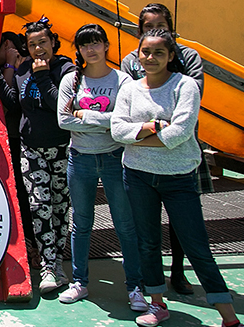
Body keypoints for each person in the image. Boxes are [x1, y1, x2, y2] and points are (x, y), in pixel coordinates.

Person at [112, 29, 244, 327]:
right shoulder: (130, 89)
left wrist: (138, 136)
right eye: (145, 52)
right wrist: (153, 126)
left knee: (196, 245)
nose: (151, 58)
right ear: (137, 55)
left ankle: (230, 318)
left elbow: (181, 133)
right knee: (147, 243)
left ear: (171, 56)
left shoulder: (185, 87)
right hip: (138, 176)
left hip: (178, 178)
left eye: (159, 52)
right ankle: (157, 304)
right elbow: (117, 131)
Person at [55, 24, 147, 313]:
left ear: (107, 45)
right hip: (79, 157)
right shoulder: (72, 80)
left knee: (125, 224)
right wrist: (106, 119)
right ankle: (80, 282)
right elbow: (63, 121)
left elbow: (126, 122)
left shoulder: (123, 81)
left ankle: (135, 287)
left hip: (114, 157)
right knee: (81, 223)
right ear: (78, 50)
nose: (90, 49)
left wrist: (87, 115)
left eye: (96, 43)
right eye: (84, 45)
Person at [121, 2, 211, 295]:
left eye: (161, 26)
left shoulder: (189, 59)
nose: (155, 32)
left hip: (178, 154)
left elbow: (183, 114)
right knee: (146, 229)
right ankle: (153, 282)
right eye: (148, 27)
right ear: (140, 31)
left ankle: (178, 272)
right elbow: (126, 113)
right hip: (142, 158)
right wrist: (147, 126)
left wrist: (144, 127)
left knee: (182, 224)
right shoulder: (130, 61)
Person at [0, 17, 75, 293]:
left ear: (53, 43)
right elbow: (15, 103)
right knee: (40, 205)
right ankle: (49, 266)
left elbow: (58, 106)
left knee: (61, 207)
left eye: (43, 42)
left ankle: (58, 262)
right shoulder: (24, 68)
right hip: (31, 148)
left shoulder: (66, 69)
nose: (38, 49)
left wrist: (42, 75)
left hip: (61, 148)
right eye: (32, 44)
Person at [0, 32, 34, 248]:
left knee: (24, 191)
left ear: (6, 44)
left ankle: (30, 240)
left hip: (20, 135)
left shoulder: (21, 67)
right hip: (21, 135)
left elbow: (10, 100)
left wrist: (4, 68)